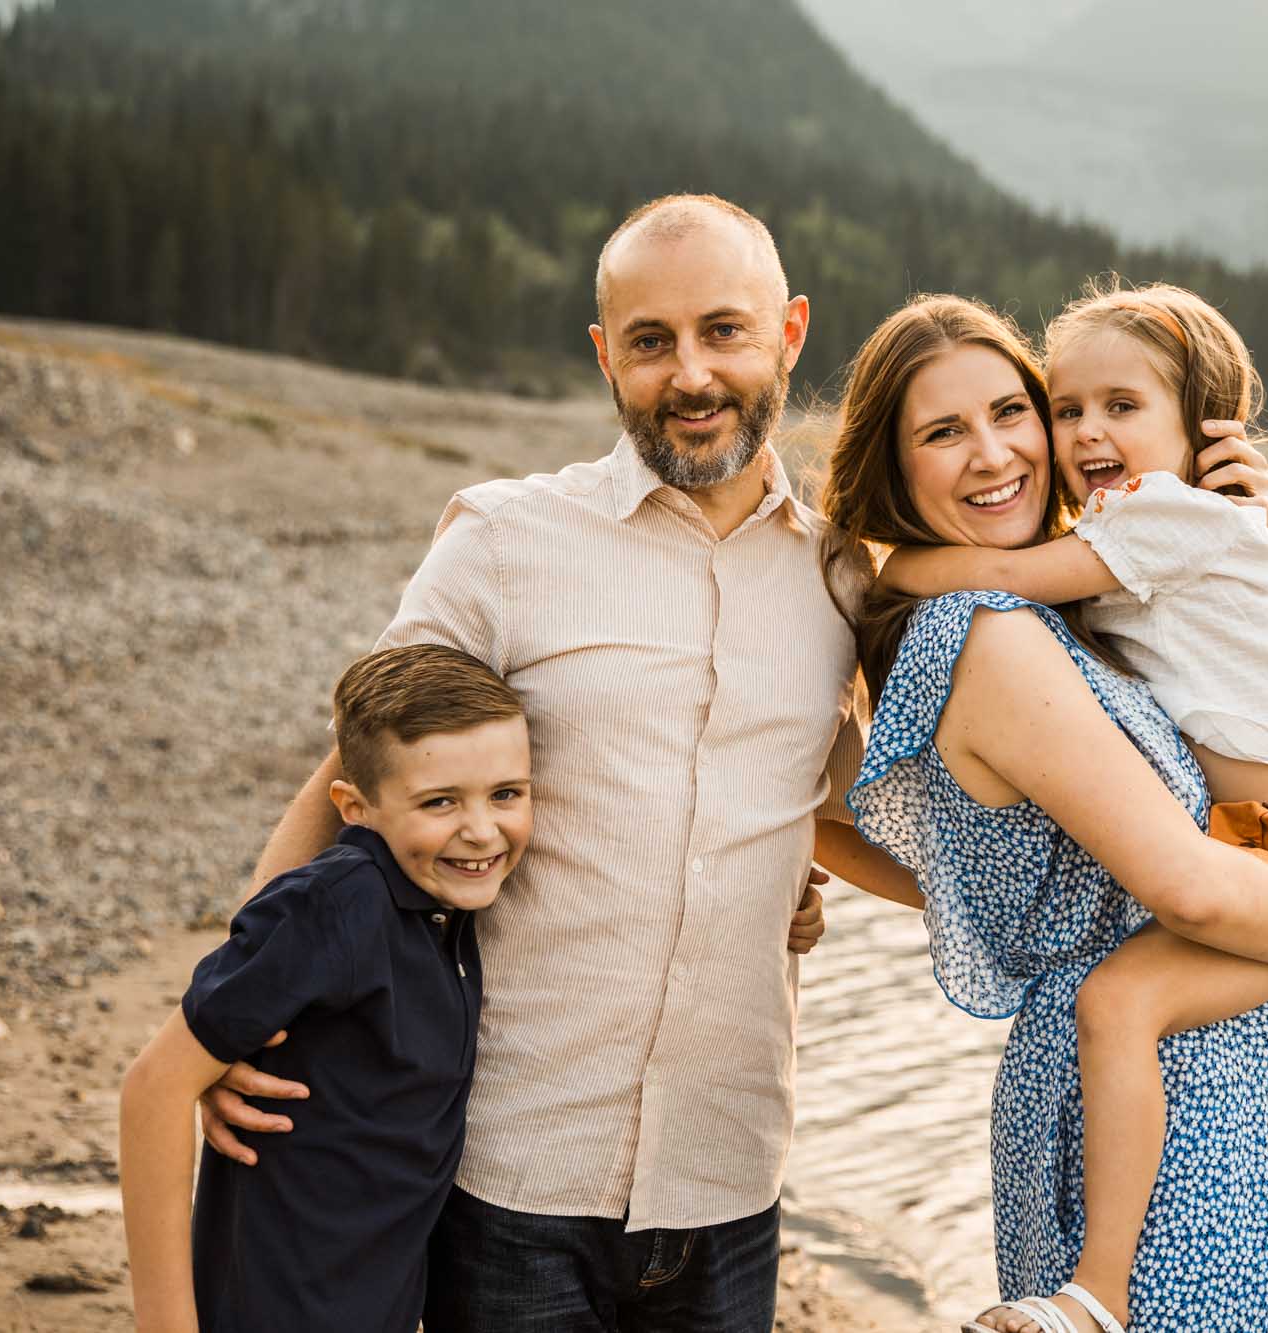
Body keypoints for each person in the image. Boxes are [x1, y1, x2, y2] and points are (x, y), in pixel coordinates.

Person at [195, 195, 882, 1331]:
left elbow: (848, 810)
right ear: (607, 355)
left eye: (725, 331)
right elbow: (352, 777)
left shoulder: (841, 580)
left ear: (790, 333)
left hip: (731, 1171)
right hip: (513, 1168)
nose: (692, 374)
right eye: (652, 342)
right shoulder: (507, 541)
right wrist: (229, 1012)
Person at [815, 294, 1268, 1333]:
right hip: (1175, 1118)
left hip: (1217, 1071)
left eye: (1011, 409)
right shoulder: (987, 627)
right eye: (942, 431)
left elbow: (969, 864)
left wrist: (1266, 548)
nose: (998, 451)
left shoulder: (1083, 607)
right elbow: (1181, 882)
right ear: (893, 467)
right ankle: (1094, 1292)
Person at [119, 644, 532, 1332]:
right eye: (439, 801)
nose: (482, 829)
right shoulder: (336, 903)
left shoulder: (444, 902)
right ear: (353, 806)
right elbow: (152, 1088)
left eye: (506, 793)